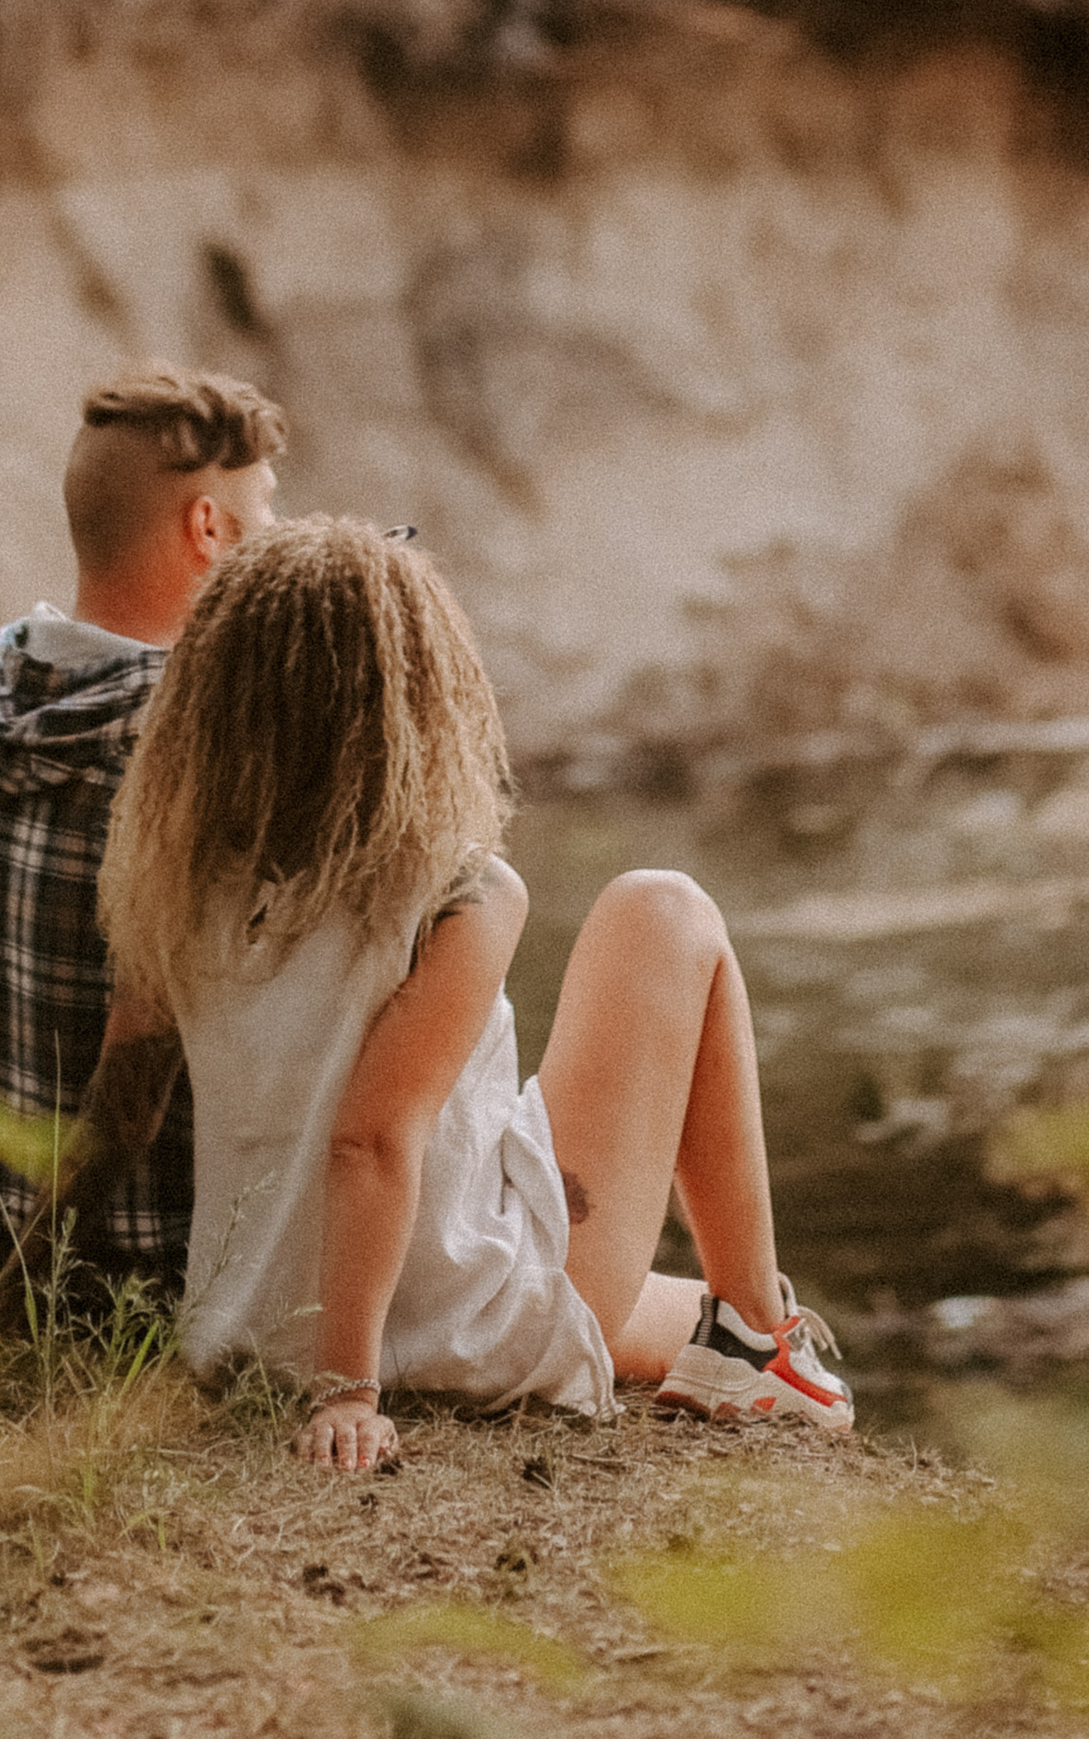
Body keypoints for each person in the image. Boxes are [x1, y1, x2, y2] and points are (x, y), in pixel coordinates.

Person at [69, 517, 850, 1460]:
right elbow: (369, 1142)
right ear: (420, 695)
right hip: (448, 1334)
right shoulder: (458, 892)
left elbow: (118, 1111)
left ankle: (742, 1336)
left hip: (250, 1335)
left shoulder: (179, 891)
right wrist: (346, 1393)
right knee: (665, 910)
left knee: (676, 1309)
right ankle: (761, 1337)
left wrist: (9, 1298)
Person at [0, 364, 281, 1307]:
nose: (276, 541)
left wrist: (22, 1063)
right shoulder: (204, 743)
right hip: (164, 1281)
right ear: (207, 529)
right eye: (266, 515)